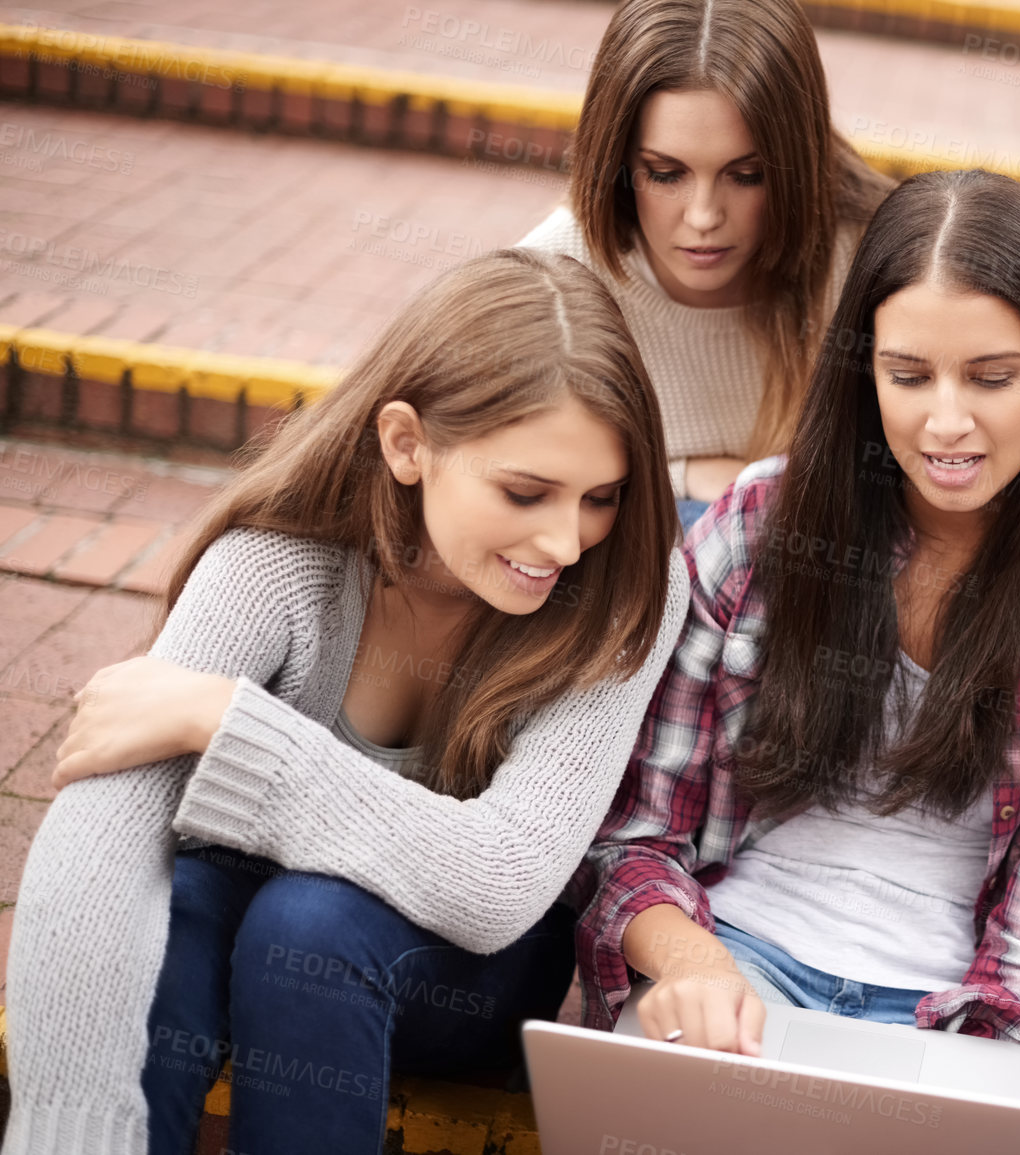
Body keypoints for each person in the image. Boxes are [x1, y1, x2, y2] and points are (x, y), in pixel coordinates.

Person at [2, 250, 689, 1155]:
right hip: (246, 922)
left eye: (600, 497)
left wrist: (229, 726)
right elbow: (103, 819)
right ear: (407, 443)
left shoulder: (628, 588)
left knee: (310, 926)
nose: (564, 539)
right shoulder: (276, 562)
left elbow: (500, 879)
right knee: (181, 904)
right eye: (524, 491)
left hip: (466, 966)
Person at [569, 168, 1020, 1056]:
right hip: (731, 956)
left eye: (990, 378)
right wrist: (693, 964)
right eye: (908, 375)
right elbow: (634, 833)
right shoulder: (757, 530)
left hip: (959, 1009)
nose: (945, 422)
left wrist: (958, 1069)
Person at [519, 0, 892, 528]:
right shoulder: (553, 274)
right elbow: (492, 468)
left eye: (747, 176)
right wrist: (683, 475)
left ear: (797, 163)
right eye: (666, 173)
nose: (704, 217)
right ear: (619, 159)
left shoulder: (867, 259)